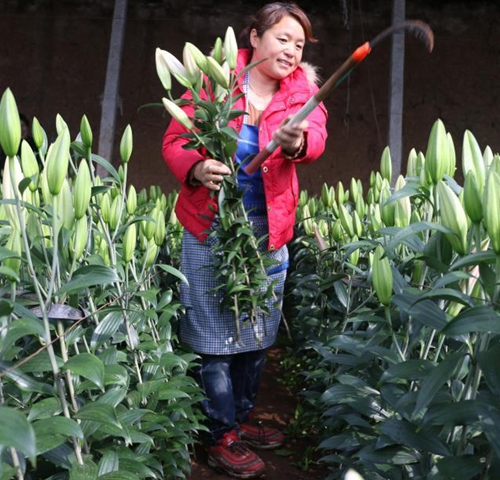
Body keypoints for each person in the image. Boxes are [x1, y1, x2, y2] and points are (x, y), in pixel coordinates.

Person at [162, 3, 327, 478]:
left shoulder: (303, 94)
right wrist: (195, 167)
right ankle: (220, 435)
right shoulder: (211, 82)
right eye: (282, 38)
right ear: (253, 37)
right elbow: (175, 141)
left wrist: (296, 143)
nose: (292, 50)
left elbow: (314, 138)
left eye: (299, 44)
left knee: (256, 335)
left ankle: (240, 417)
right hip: (210, 228)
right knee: (213, 335)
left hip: (268, 233)